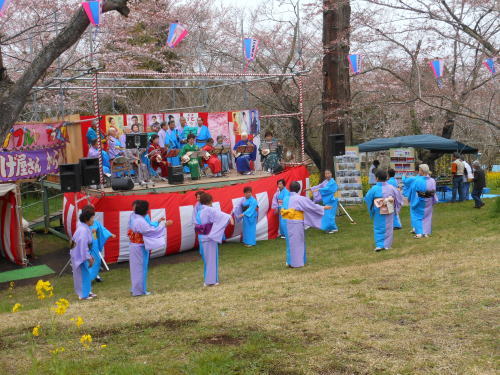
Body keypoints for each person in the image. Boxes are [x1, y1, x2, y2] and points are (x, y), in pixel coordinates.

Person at [281, 181, 332, 268]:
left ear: (290, 189)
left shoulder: (286, 198)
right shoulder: (300, 198)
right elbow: (311, 206)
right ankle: (296, 263)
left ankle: (289, 261)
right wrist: (323, 207)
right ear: (299, 189)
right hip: (295, 222)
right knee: (297, 242)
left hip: (285, 221)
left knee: (290, 242)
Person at [128, 200, 172, 296]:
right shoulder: (139, 220)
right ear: (145, 210)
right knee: (140, 268)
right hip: (139, 246)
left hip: (136, 245)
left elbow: (148, 228)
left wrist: (159, 223)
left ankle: (136, 289)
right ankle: (138, 291)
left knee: (137, 268)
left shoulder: (135, 217)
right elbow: (150, 231)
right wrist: (164, 225)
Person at [194, 193, 233, 286]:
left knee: (207, 259)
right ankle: (210, 281)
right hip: (209, 237)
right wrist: (230, 217)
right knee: (211, 259)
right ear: (210, 200)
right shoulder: (209, 209)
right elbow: (221, 216)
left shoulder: (200, 210)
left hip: (202, 237)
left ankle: (210, 279)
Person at [365, 170, 403, 251]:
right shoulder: (391, 187)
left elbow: (368, 198)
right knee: (389, 227)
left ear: (377, 178)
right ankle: (387, 245)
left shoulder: (374, 188)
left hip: (378, 209)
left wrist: (371, 208)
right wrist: (397, 207)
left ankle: (380, 245)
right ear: (386, 178)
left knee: (378, 227)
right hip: (389, 208)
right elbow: (398, 197)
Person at [403, 164, 437, 239]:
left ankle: (419, 233)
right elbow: (434, 191)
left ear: (421, 171)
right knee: (427, 217)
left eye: (419, 170)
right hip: (428, 201)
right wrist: (433, 201)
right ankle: (426, 233)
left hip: (419, 201)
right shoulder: (432, 180)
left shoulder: (417, 180)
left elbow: (412, 190)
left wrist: (409, 198)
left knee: (416, 216)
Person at [70, 205, 96, 300]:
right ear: (86, 219)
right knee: (82, 274)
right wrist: (89, 258)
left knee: (85, 274)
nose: (93, 220)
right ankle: (83, 294)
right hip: (79, 254)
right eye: (92, 218)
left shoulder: (83, 227)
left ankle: (86, 292)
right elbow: (83, 247)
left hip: (77, 252)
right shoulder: (83, 230)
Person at [89, 215, 115, 283]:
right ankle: (88, 279)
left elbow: (102, 229)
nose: (93, 218)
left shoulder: (96, 222)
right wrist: (90, 231)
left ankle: (94, 276)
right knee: (89, 261)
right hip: (87, 245)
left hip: (94, 243)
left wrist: (109, 234)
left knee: (96, 260)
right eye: (91, 216)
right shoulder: (83, 225)